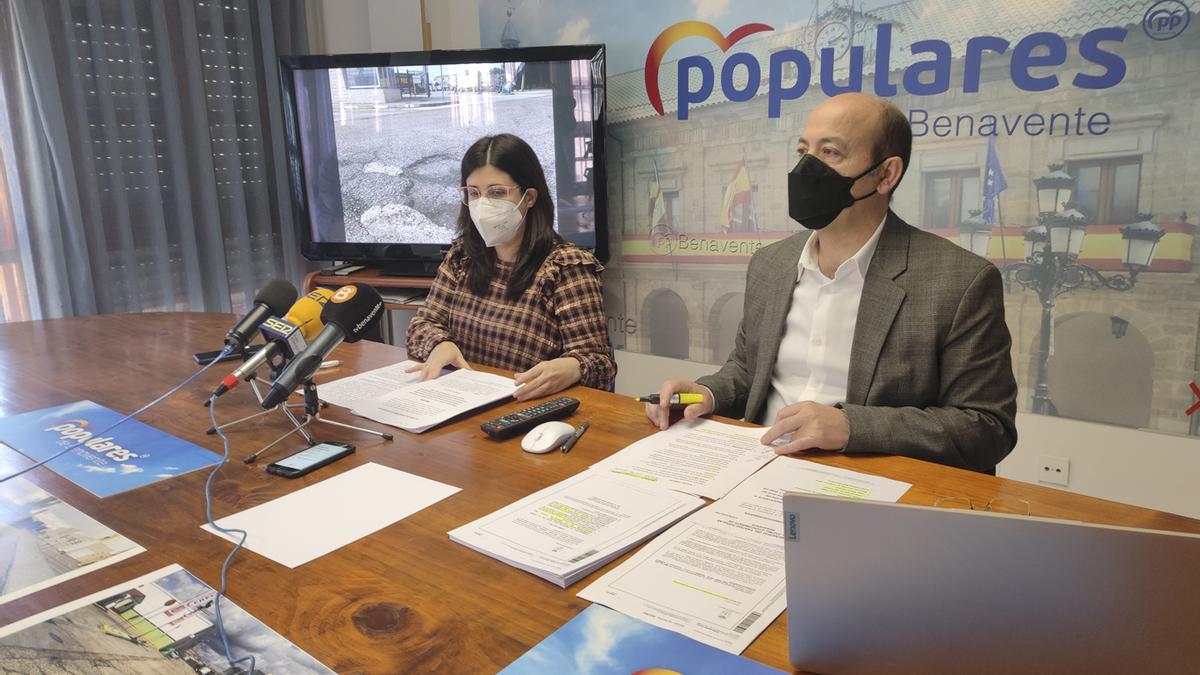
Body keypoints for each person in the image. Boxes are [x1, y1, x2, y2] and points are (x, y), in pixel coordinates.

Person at [644, 93, 1017, 473]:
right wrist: (704, 393)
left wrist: (852, 427)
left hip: (866, 484)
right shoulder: (770, 264)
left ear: (886, 174)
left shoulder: (961, 281)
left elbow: (987, 427)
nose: (807, 167)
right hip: (753, 467)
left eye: (830, 153)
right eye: (803, 150)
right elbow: (746, 369)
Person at [405, 133, 616, 401]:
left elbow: (600, 364)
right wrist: (440, 343)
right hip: (458, 406)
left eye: (496, 192)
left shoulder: (566, 268)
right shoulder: (462, 256)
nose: (483, 204)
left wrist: (574, 367)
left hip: (526, 412)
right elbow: (422, 323)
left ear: (529, 197)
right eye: (473, 193)